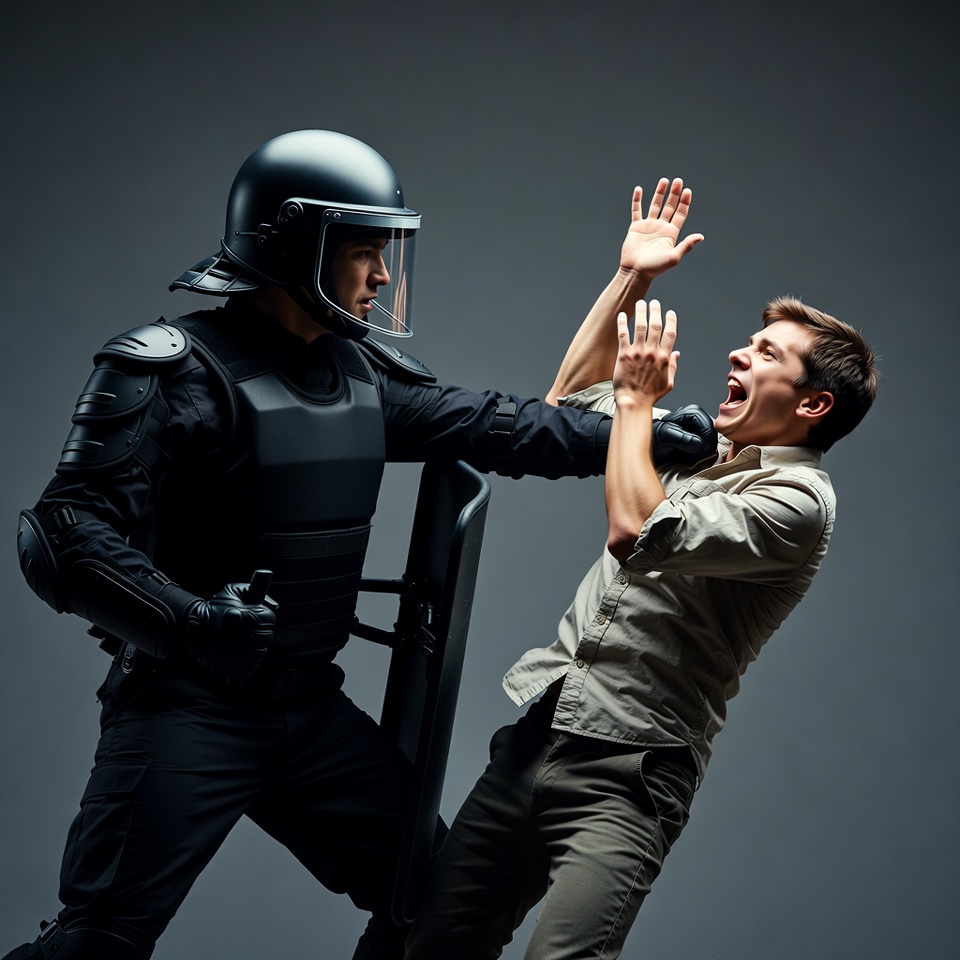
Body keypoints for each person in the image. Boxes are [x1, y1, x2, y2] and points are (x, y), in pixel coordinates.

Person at [7, 131, 711, 960]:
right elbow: (60, 534)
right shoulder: (167, 371)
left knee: (435, 908)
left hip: (307, 715)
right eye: (367, 253)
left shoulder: (358, 373)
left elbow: (500, 426)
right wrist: (191, 618)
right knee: (98, 942)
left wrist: (649, 432)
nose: (383, 276)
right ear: (299, 249)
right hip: (186, 706)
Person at [404, 209, 879, 958]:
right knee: (430, 947)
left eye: (764, 354)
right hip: (536, 739)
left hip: (629, 777)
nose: (738, 353)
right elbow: (568, 407)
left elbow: (638, 533)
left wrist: (636, 405)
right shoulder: (700, 446)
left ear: (812, 402)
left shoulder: (798, 504)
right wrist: (634, 276)